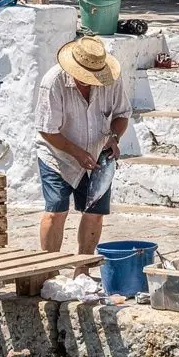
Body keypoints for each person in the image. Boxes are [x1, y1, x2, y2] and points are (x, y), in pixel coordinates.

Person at [35, 35, 131, 263]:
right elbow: (47, 129)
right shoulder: (53, 82)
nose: (86, 81)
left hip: (98, 155)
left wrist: (114, 138)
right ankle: (48, 267)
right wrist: (76, 153)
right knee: (56, 211)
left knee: (95, 214)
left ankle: (83, 266)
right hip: (57, 156)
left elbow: (122, 114)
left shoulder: (111, 80)